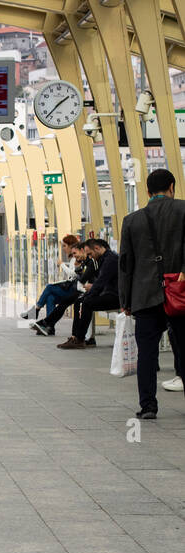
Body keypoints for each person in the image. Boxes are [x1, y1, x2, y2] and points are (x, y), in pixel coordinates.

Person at [117, 167, 185, 419]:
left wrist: (125, 300)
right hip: (179, 294)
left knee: (147, 353)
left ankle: (148, 406)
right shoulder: (182, 210)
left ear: (147, 191)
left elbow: (126, 264)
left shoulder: (132, 220)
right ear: (172, 188)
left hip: (145, 296)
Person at [59, 238, 118, 349]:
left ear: (97, 248)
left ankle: (80, 339)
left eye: (90, 254)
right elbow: (101, 282)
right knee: (81, 301)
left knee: (86, 303)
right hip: (110, 292)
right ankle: (76, 337)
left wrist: (88, 296)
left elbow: (101, 282)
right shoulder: (104, 259)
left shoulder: (110, 260)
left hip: (116, 296)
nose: (90, 257)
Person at [23, 234, 82, 334]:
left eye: (64, 246)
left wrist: (62, 265)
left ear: (71, 246)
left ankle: (36, 310)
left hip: (74, 290)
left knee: (49, 287)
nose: (63, 249)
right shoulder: (73, 259)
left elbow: (74, 274)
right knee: (50, 298)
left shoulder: (77, 258)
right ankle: (49, 327)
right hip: (71, 288)